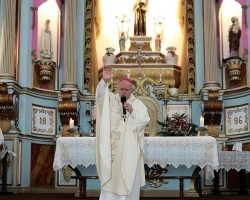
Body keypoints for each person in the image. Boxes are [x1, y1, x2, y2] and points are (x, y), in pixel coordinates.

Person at [95, 65, 150, 200]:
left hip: (129, 152)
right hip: (113, 150)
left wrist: (132, 112)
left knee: (129, 177)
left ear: (131, 90)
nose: (124, 92)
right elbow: (100, 97)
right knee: (112, 178)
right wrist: (103, 81)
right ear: (118, 89)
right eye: (121, 89)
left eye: (126, 89)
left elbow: (144, 120)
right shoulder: (111, 99)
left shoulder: (137, 104)